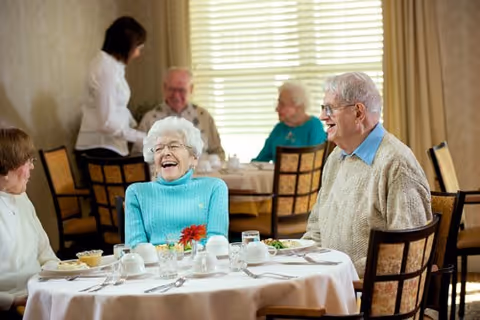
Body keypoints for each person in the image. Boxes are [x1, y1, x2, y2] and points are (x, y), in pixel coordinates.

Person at [302, 72, 432, 276]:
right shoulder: (337, 157)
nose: (322, 116)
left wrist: (343, 273)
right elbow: (316, 228)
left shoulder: (397, 164)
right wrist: (301, 262)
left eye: (330, 108)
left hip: (369, 295)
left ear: (358, 112)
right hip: (331, 284)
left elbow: (407, 251)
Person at [125, 117, 229, 248]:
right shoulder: (136, 193)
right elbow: (136, 248)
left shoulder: (214, 188)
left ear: (194, 158)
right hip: (155, 266)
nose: (166, 153)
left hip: (201, 264)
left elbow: (217, 244)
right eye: (158, 149)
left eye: (174, 146)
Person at [0, 128, 58, 318]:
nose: (32, 167)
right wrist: (13, 301)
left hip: (38, 296)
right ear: (6, 169)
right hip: (11, 307)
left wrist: (63, 276)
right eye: (27, 161)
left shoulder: (22, 199)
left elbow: (46, 255)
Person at [75, 16, 147, 159]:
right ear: (126, 46)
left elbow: (116, 109)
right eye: (137, 47)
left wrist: (134, 126)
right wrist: (142, 137)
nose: (138, 53)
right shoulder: (106, 68)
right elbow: (106, 122)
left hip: (109, 147)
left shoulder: (111, 66)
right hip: (102, 148)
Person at [133, 67, 225, 159]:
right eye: (172, 89)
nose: (176, 96)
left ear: (191, 89)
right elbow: (137, 157)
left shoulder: (203, 116)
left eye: (181, 90)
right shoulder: (150, 119)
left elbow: (218, 152)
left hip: (200, 171)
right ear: (164, 88)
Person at [253, 81, 327, 162]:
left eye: (282, 104)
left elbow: (315, 162)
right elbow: (260, 160)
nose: (277, 109)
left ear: (298, 106)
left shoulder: (314, 126)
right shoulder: (279, 128)